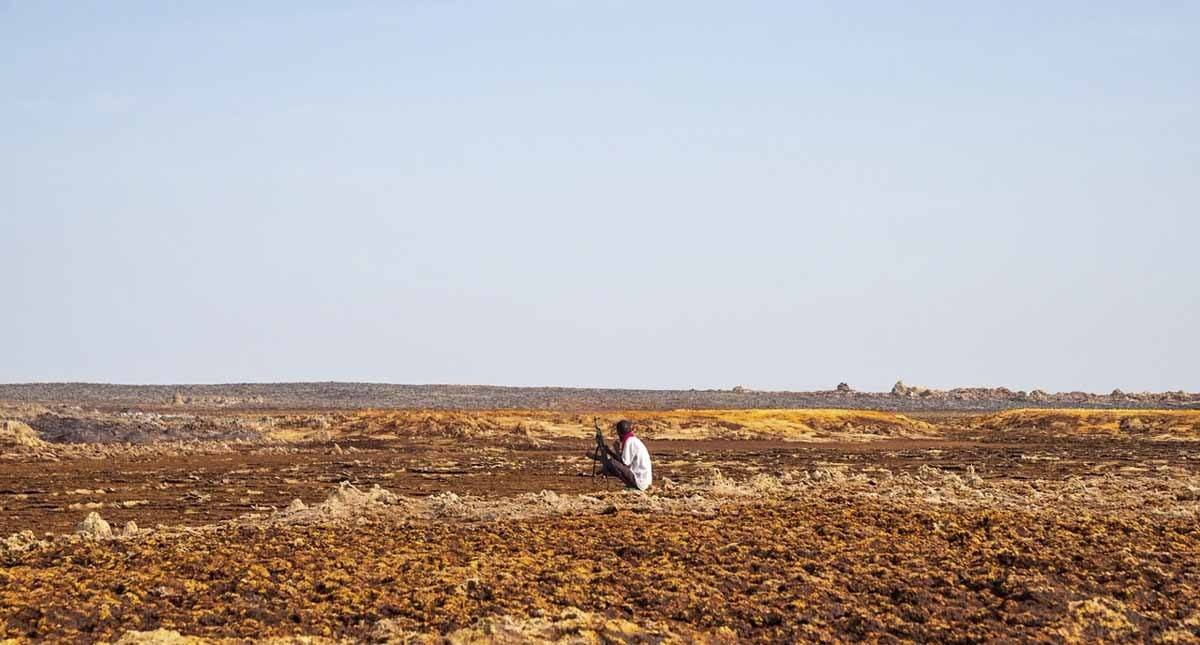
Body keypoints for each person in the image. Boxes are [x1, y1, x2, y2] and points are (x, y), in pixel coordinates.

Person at [591, 419, 652, 490]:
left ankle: (632, 486)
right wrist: (610, 452)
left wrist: (616, 450)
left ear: (619, 433)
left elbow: (624, 463)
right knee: (612, 462)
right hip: (644, 481)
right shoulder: (633, 440)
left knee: (611, 462)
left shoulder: (629, 442)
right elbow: (622, 461)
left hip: (640, 481)